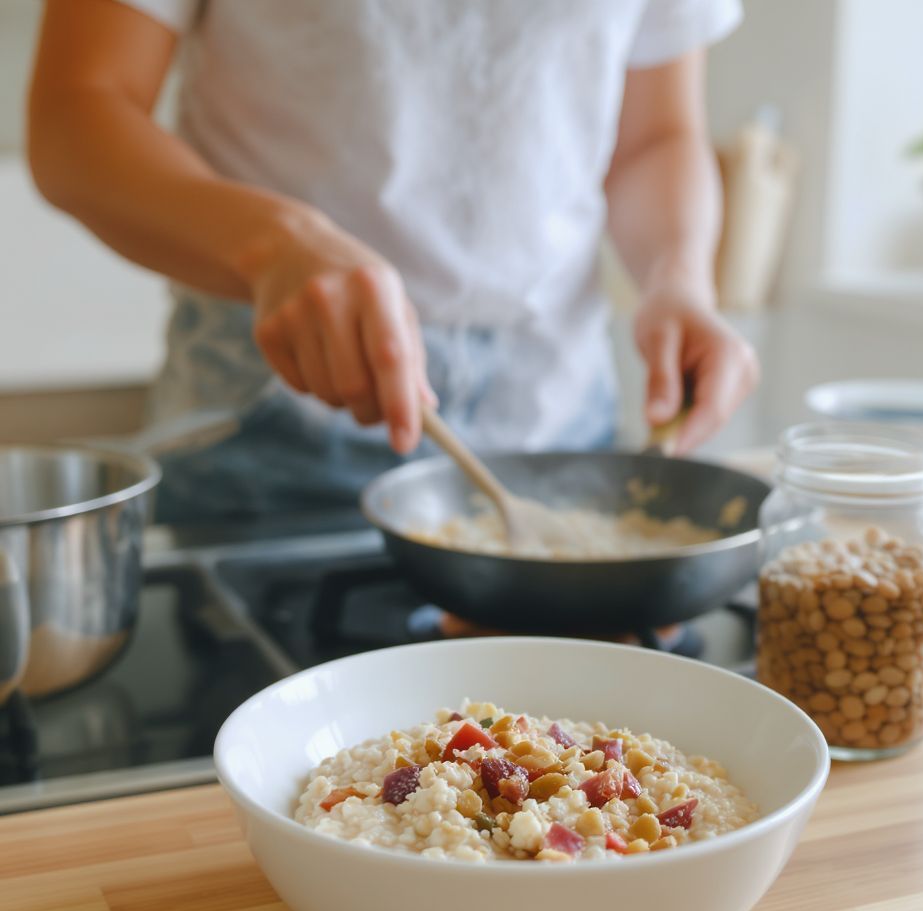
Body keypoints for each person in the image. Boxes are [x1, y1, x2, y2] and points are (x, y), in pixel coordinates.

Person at [28, 0, 759, 523]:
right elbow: (79, 110)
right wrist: (272, 240)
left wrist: (679, 278)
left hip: (557, 417)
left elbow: (655, 138)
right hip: (270, 420)